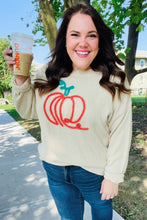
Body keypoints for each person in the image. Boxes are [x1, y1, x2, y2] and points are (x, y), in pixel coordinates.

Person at [3, 3, 132, 220]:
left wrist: (113, 176)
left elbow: (121, 132)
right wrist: (20, 78)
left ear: (100, 39)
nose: (83, 42)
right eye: (75, 34)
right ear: (65, 39)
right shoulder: (48, 72)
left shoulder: (114, 80)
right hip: (54, 169)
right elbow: (27, 111)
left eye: (91, 35)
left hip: (94, 172)